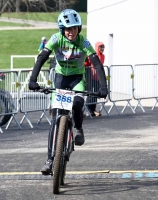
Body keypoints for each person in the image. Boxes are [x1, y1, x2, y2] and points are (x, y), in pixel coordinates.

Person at [28, 9, 108, 174]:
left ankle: (78, 128)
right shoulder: (56, 39)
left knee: (78, 105)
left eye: (74, 28)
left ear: (78, 28)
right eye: (67, 28)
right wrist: (33, 79)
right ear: (61, 29)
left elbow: (97, 64)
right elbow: (42, 58)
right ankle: (50, 160)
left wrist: (103, 87)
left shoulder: (83, 42)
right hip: (60, 79)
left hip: (77, 79)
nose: (71, 32)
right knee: (56, 117)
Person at [84, 42, 105, 117]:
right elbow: (87, 64)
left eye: (103, 47)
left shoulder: (103, 56)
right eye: (100, 47)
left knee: (96, 94)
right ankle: (87, 109)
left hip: (97, 78)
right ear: (97, 47)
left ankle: (93, 109)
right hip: (91, 77)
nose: (102, 49)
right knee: (90, 94)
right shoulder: (92, 56)